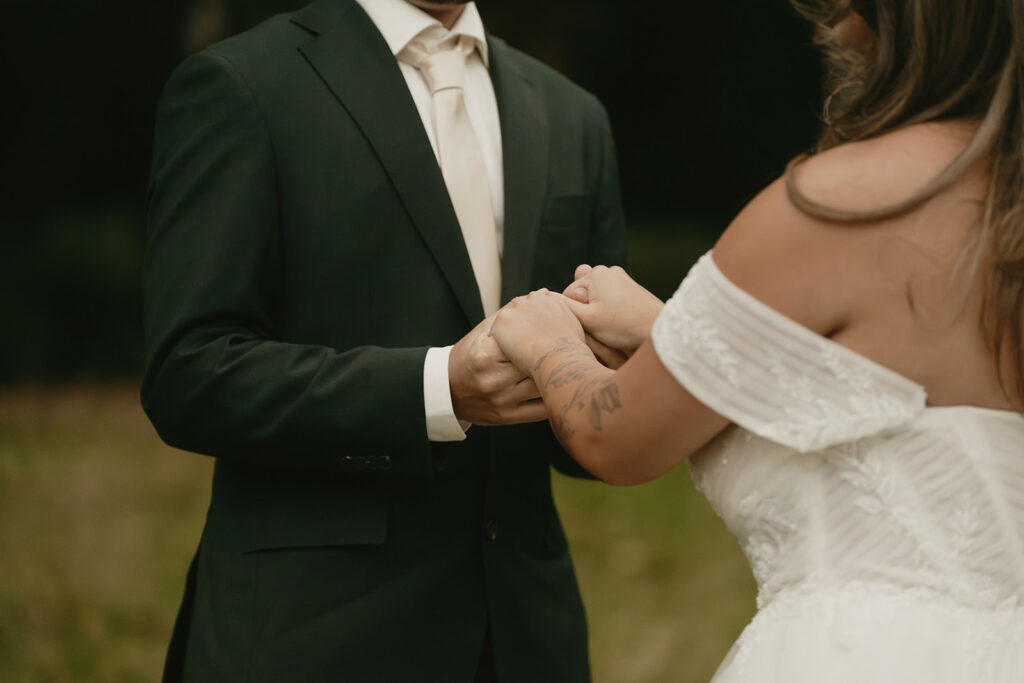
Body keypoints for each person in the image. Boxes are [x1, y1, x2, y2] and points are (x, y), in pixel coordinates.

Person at [490, 0, 1024, 680]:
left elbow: (614, 437)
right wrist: (670, 331)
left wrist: (543, 337)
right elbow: (892, 402)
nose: (830, 17)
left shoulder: (843, 204)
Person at [141, 0, 626, 679]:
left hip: (521, 640)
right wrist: (437, 388)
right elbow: (187, 372)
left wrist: (629, 371)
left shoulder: (574, 115)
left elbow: (585, 434)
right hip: (314, 637)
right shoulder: (243, 83)